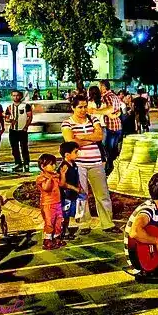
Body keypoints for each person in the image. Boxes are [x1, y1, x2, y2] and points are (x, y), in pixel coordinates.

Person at [61, 95, 121, 235]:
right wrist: (90, 138)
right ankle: (83, 224)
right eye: (80, 107)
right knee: (81, 194)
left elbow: (100, 136)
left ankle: (107, 223)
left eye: (85, 106)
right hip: (79, 164)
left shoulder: (93, 119)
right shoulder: (67, 123)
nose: (83, 110)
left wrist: (81, 138)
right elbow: (70, 142)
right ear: (73, 108)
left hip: (96, 162)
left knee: (103, 194)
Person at [89, 80, 122, 175]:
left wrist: (95, 111)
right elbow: (117, 110)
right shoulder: (115, 96)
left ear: (104, 87)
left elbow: (110, 109)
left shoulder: (105, 98)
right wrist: (117, 114)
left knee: (106, 149)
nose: (100, 88)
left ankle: (108, 168)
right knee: (113, 149)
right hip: (117, 125)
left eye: (100, 86)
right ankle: (114, 167)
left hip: (108, 126)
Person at [36, 154, 65, 250]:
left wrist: (63, 174)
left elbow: (61, 184)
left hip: (57, 202)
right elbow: (46, 188)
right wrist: (49, 178)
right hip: (47, 204)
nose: (54, 166)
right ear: (42, 167)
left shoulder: (55, 175)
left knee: (58, 221)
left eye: (54, 164)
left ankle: (56, 237)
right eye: (51, 164)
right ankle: (47, 240)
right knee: (49, 222)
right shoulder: (42, 178)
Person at [58, 142, 82, 241]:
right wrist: (74, 188)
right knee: (65, 214)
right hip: (65, 195)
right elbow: (62, 183)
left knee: (69, 213)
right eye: (75, 152)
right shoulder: (64, 167)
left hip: (72, 194)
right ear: (67, 154)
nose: (78, 154)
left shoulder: (74, 164)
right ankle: (63, 231)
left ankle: (66, 230)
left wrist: (79, 187)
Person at [5, 90, 33, 173]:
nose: (15, 97)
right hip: (13, 130)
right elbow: (6, 118)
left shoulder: (26, 106)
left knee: (24, 147)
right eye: (13, 95)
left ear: (20, 96)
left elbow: (30, 117)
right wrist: (10, 120)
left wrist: (26, 127)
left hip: (22, 130)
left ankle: (26, 162)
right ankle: (18, 163)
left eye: (17, 95)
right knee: (14, 148)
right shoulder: (9, 107)